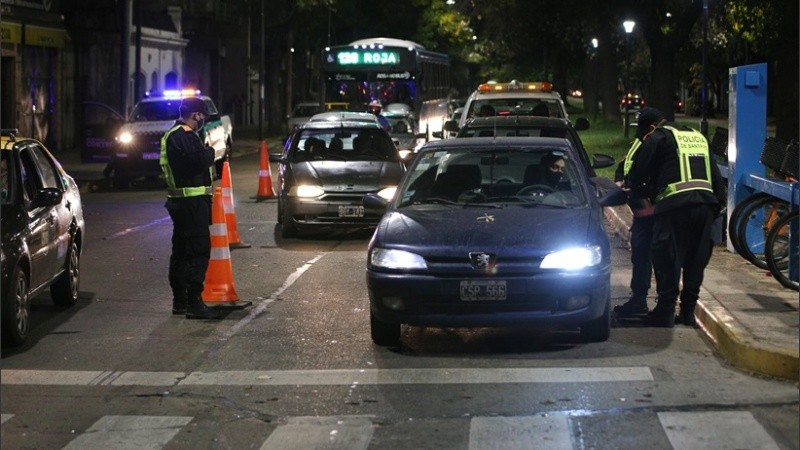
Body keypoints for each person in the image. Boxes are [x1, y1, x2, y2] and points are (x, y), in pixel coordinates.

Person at [625, 107, 726, 327]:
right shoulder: (697, 137)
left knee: (667, 258)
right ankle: (688, 312)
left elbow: (639, 170)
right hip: (705, 206)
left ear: (651, 128)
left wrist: (632, 186)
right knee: (695, 260)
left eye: (641, 134)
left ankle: (665, 312)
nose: (640, 138)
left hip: (674, 208)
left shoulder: (657, 137)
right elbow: (716, 178)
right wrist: (714, 208)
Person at [159, 96, 221, 320]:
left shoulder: (173, 135)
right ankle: (194, 302)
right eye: (202, 115)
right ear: (196, 115)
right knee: (197, 252)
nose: (203, 119)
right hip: (191, 205)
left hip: (182, 203)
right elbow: (199, 161)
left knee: (181, 253)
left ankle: (181, 302)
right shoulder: (184, 136)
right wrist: (211, 152)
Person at [612, 132, 657, 317]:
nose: (639, 130)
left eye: (643, 127)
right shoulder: (639, 144)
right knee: (641, 255)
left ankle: (663, 305)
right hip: (642, 210)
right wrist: (621, 179)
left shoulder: (658, 145)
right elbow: (626, 165)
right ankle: (639, 300)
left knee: (656, 257)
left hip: (656, 208)